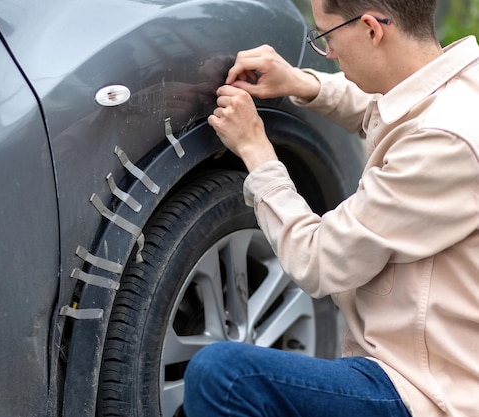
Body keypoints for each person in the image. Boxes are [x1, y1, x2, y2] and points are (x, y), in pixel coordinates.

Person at [182, 0, 479, 416]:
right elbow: (388, 110)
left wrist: (257, 151)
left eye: (326, 37)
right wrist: (303, 83)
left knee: (225, 376)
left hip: (428, 393)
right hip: (437, 366)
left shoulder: (444, 144)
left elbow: (318, 261)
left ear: (373, 29)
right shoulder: (460, 87)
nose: (329, 53)